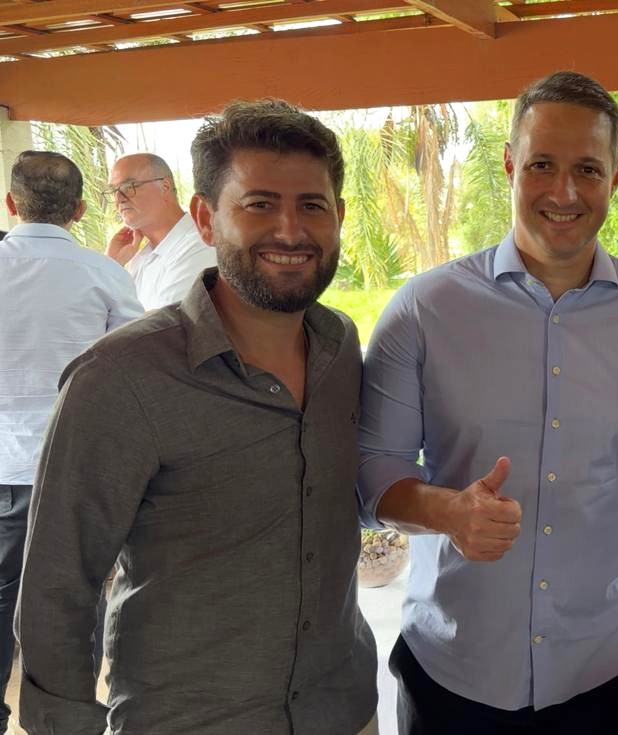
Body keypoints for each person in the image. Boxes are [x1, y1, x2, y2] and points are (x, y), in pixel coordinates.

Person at [357, 71, 618, 735]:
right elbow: (370, 474)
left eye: (587, 168)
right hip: (452, 675)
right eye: (542, 165)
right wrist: (447, 511)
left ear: (617, 175)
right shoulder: (423, 310)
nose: (564, 191)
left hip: (602, 675)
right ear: (509, 164)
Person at [18, 100, 378, 735]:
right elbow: (58, 585)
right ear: (206, 218)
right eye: (259, 204)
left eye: (312, 206)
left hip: (342, 707)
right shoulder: (121, 378)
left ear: (339, 217)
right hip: (190, 718)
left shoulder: (340, 347)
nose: (290, 230)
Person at [0, 150, 141, 734]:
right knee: (74, 601)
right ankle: (68, 723)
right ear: (80, 210)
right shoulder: (104, 275)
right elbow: (136, 365)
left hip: (3, 468)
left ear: (11, 204)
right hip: (78, 471)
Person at [104, 152, 216, 308]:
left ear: (165, 186)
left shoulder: (199, 246)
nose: (118, 199)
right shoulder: (140, 258)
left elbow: (166, 322)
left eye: (129, 187)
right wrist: (112, 264)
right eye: (113, 191)